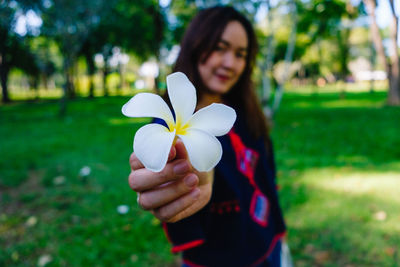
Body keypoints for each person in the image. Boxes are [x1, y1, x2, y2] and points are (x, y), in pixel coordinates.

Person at [128, 6, 286, 267]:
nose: (229, 63)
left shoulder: (245, 112)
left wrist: (281, 231)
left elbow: (267, 172)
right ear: (196, 46)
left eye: (240, 54)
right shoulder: (167, 124)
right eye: (219, 48)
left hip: (267, 243)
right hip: (217, 257)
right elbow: (174, 168)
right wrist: (182, 179)